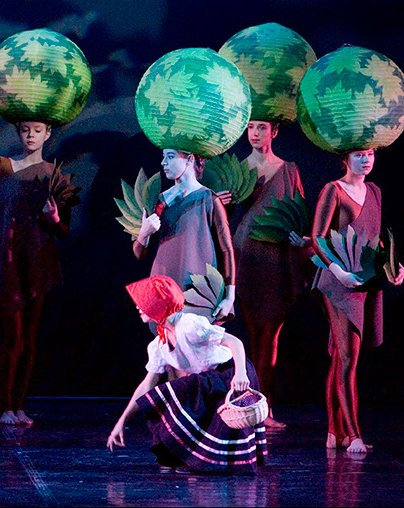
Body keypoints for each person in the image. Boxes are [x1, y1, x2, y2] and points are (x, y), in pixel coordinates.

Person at [107, 275, 267, 475]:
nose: (138, 308)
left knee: (183, 388)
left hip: (230, 375)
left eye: (144, 302)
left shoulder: (189, 325)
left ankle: (206, 462)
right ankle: (184, 456)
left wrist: (241, 374)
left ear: (157, 305)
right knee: (170, 394)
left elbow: (234, 342)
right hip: (208, 382)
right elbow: (147, 386)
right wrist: (122, 421)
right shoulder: (159, 345)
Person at [0, 121, 73, 425]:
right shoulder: (2, 168)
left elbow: (64, 231)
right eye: (25, 129)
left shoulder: (56, 175)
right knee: (13, 334)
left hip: (36, 261)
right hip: (5, 261)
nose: (31, 135)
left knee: (29, 337)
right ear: (18, 132)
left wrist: (54, 219)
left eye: (37, 130)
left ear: (48, 133)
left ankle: (19, 406)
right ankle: (6, 407)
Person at [311, 149, 404, 453]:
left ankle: (334, 432)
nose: (366, 160)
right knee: (348, 358)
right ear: (345, 159)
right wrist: (337, 271)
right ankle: (354, 435)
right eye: (359, 155)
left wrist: (393, 266)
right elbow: (318, 237)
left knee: (342, 357)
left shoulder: (374, 190)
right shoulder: (333, 190)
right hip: (338, 282)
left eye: (370, 154)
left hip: (365, 279)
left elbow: (375, 238)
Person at [218, 121, 308, 428]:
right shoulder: (238, 170)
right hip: (247, 255)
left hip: (277, 258)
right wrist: (222, 203)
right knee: (252, 334)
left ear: (275, 131)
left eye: (262, 127)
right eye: (251, 127)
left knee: (270, 336)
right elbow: (223, 220)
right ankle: (249, 407)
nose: (255, 133)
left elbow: (298, 213)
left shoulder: (289, 170)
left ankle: (264, 406)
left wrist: (302, 242)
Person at [133, 149, 236, 324]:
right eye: (163, 157)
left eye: (170, 156)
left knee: (194, 333)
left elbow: (227, 249)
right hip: (164, 286)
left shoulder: (209, 199)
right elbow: (139, 253)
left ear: (189, 159)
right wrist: (143, 234)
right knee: (166, 337)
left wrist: (229, 297)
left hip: (196, 288)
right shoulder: (160, 202)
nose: (163, 162)